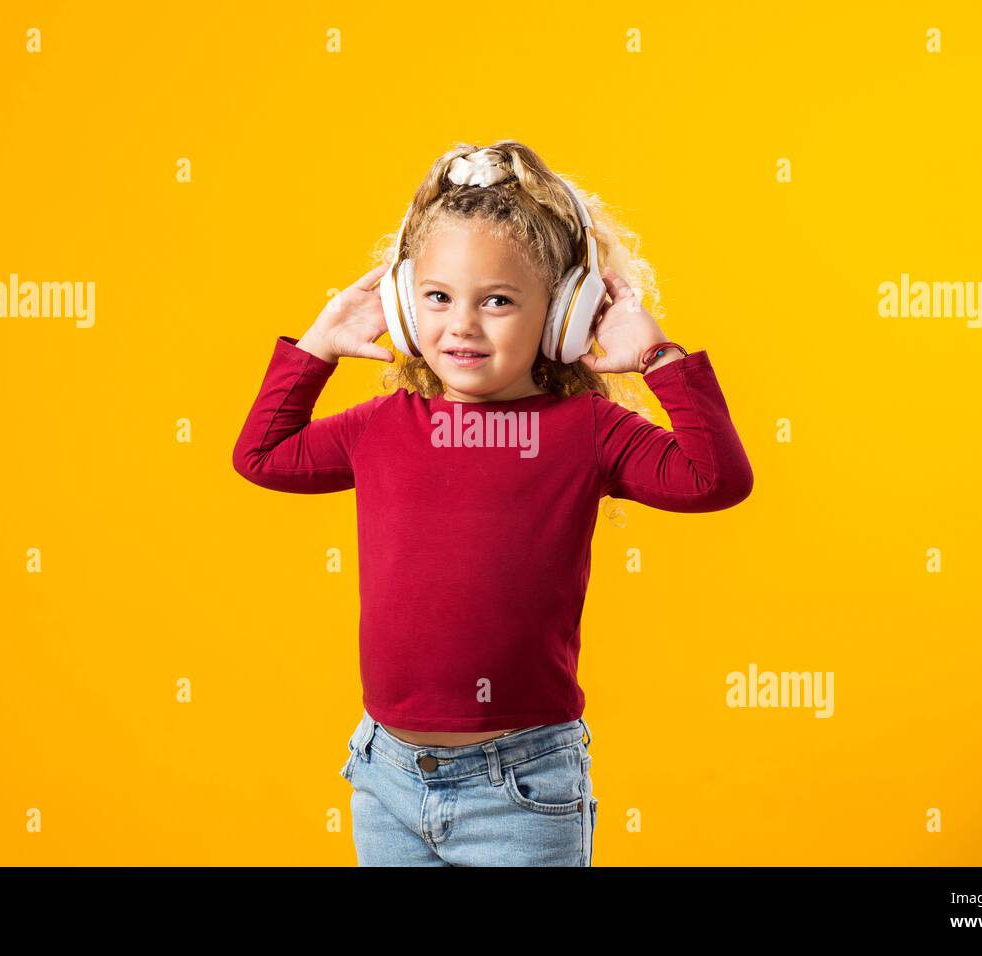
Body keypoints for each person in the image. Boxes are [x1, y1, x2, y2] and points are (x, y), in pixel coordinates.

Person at [232, 140, 754, 865]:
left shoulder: (587, 431)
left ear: (564, 315)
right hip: (386, 776)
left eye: (498, 301)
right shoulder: (381, 428)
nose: (463, 325)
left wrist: (659, 357)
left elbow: (714, 479)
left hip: (522, 788)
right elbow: (261, 457)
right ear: (404, 308)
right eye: (438, 298)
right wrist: (317, 346)